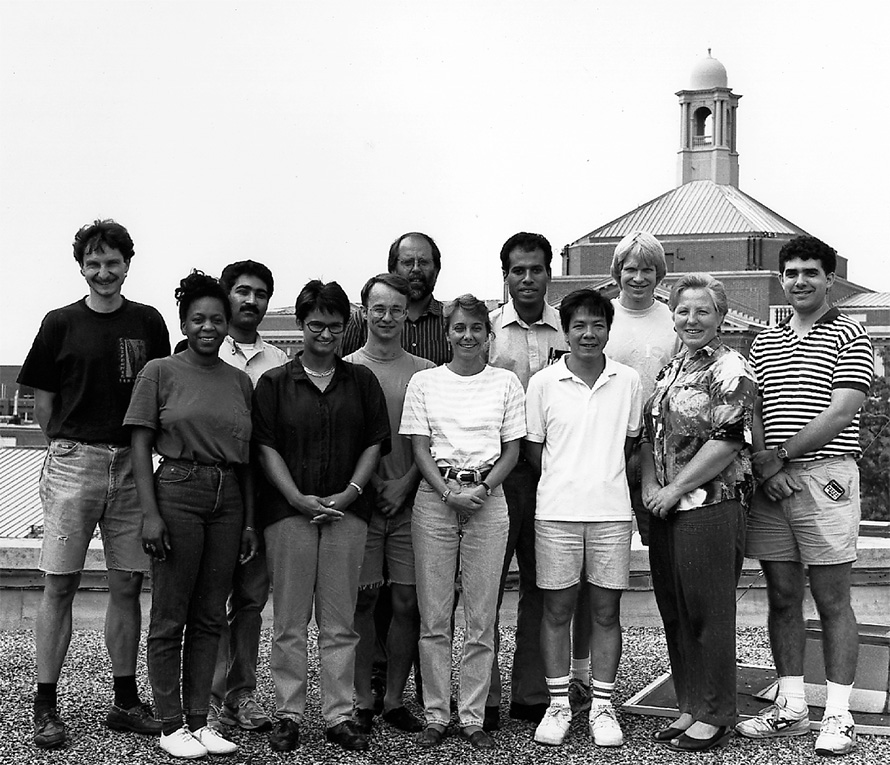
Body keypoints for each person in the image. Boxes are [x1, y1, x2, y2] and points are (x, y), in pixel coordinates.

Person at [18, 219, 170, 749]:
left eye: (113, 262)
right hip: (73, 462)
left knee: (128, 583)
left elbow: (156, 395)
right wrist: (66, 447)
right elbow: (43, 403)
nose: (104, 272)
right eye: (94, 263)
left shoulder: (149, 322)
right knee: (59, 583)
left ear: (128, 263)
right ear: (81, 266)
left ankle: (125, 701)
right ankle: (45, 704)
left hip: (132, 463)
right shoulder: (59, 322)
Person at [735, 237, 873, 757]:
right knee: (783, 596)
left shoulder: (851, 333)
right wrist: (767, 467)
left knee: (833, 600)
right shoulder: (763, 338)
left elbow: (841, 412)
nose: (800, 281)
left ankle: (838, 715)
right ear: (781, 278)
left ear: (829, 279)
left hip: (826, 479)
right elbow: (753, 411)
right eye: (791, 272)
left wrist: (781, 457)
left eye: (811, 272)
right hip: (772, 482)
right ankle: (791, 706)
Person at [252, 280, 390, 753]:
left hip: (346, 515)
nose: (325, 334)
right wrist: (296, 497)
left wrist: (349, 495)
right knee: (290, 620)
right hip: (289, 515)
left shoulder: (362, 381)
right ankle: (288, 714)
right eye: (316, 325)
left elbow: (374, 442)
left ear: (345, 326)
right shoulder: (273, 383)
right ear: (301, 325)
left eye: (334, 325)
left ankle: (338, 715)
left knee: (339, 622)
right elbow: (265, 445)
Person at [125, 271, 257, 759]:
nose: (208, 327)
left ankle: (200, 721)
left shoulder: (241, 382)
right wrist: (150, 514)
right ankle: (170, 722)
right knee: (170, 615)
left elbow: (245, 456)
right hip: (177, 490)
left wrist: (246, 522)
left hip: (227, 499)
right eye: (198, 319)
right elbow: (140, 443)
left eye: (217, 319)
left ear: (227, 326)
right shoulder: (159, 371)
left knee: (209, 617)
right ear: (183, 322)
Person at [400, 294, 526, 751]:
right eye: (459, 328)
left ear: (488, 335)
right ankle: (436, 713)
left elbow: (512, 448)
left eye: (476, 328)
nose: (467, 336)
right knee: (434, 615)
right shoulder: (425, 382)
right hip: (436, 498)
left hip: (488, 500)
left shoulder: (506, 383)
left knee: (481, 614)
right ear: (448, 333)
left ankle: (472, 716)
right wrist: (449, 492)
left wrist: (482, 490)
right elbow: (418, 447)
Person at [641, 273, 756, 753]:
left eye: (702, 310)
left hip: (710, 506)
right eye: (683, 310)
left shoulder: (731, 369)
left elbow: (729, 440)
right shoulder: (671, 369)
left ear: (721, 316)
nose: (691, 319)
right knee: (676, 610)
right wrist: (650, 486)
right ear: (673, 315)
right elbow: (649, 435)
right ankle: (689, 704)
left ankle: (716, 712)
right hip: (665, 507)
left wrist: (677, 489)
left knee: (709, 612)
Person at [568, 230, 679, 715]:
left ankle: (683, 669)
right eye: (629, 269)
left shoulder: (674, 320)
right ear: (617, 273)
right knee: (584, 574)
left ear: (660, 274)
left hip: (662, 457)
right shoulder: (603, 319)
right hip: (604, 459)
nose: (638, 277)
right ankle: (576, 672)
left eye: (647, 268)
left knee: (668, 568)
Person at [526, 289, 642, 749]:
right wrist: (568, 481)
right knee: (556, 610)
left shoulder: (628, 381)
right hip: (556, 513)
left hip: (612, 513)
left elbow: (632, 443)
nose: (588, 334)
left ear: (608, 330)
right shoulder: (542, 383)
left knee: (606, 611)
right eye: (579, 325)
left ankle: (602, 706)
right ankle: (558, 705)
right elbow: (536, 450)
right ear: (566, 330)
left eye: (597, 325)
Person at [345, 274, 434, 736]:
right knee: (363, 601)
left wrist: (403, 484)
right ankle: (361, 699)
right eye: (378, 308)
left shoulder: (424, 371)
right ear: (365, 311)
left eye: (395, 309)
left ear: (406, 314)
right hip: (362, 504)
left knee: (406, 602)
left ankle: (395, 700)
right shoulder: (346, 368)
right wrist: (372, 486)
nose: (386, 317)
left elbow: (432, 440)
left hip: (411, 500)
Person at [485, 232, 568, 730]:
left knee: (544, 585)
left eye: (536, 269)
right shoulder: (489, 330)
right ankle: (486, 694)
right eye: (518, 270)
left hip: (553, 476)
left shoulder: (569, 328)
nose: (528, 278)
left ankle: (534, 692)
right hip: (500, 473)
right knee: (488, 587)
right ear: (506, 275)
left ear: (549, 274)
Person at [207, 260, 288, 733]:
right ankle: (210, 694)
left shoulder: (278, 361)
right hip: (214, 489)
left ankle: (243, 693)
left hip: (263, 492)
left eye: (260, 293)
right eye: (242, 292)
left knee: (251, 600)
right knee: (210, 599)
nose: (251, 301)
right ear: (226, 296)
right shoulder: (201, 349)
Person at [339, 232, 451, 365]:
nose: (416, 269)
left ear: (437, 269)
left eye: (423, 262)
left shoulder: (450, 321)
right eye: (408, 263)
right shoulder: (362, 320)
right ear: (392, 269)